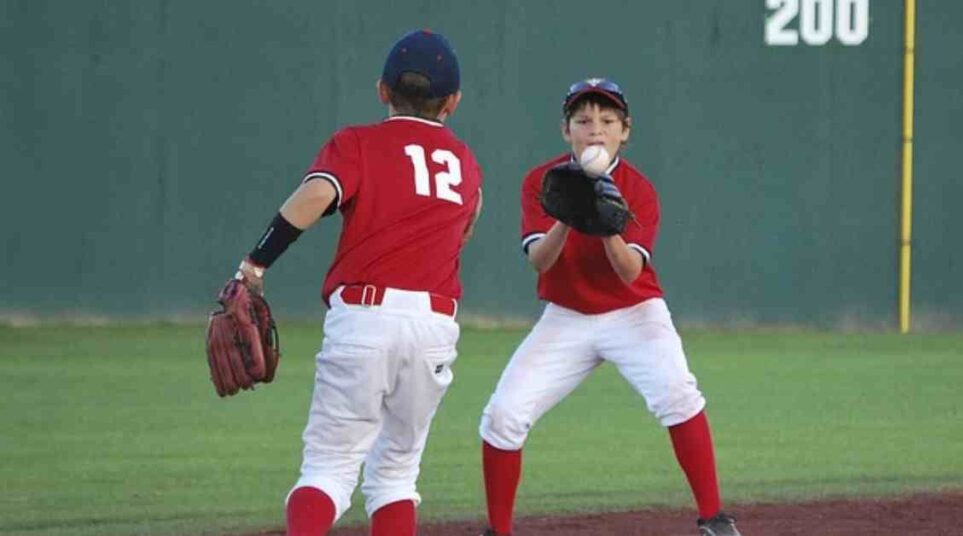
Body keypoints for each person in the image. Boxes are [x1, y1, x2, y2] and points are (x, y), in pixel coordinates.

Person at [229, 30, 483, 536]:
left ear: (382, 90)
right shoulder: (466, 164)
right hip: (434, 324)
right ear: (452, 102)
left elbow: (316, 195)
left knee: (328, 469)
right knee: (395, 475)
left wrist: (253, 268)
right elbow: (464, 230)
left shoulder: (358, 143)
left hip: (365, 317)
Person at [477, 78, 741, 536]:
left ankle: (714, 519)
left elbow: (629, 273)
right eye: (583, 121)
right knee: (502, 416)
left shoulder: (639, 190)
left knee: (678, 395)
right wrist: (568, 213)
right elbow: (539, 260)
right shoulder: (543, 181)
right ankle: (498, 530)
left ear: (625, 131)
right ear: (566, 131)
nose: (594, 130)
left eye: (607, 120)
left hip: (634, 312)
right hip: (567, 316)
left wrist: (607, 224)